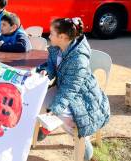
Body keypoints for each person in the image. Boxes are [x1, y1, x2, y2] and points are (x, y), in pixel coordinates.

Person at [36, 17, 110, 161]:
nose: (48, 36)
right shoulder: (58, 48)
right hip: (64, 89)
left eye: (51, 33)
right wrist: (47, 71)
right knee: (40, 102)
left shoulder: (78, 60)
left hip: (83, 97)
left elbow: (70, 90)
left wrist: (55, 109)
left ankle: (83, 145)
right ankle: (48, 127)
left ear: (62, 37)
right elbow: (51, 65)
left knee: (64, 116)